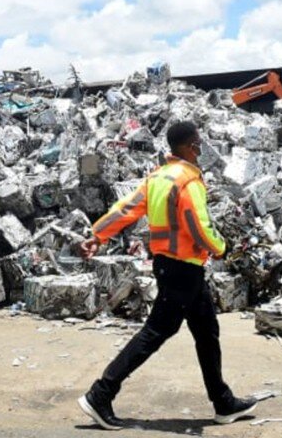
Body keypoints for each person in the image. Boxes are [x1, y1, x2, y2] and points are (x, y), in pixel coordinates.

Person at [77, 120, 256, 430]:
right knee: (156, 332)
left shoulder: (158, 177)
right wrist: (221, 248)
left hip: (172, 267)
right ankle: (100, 393)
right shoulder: (187, 180)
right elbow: (198, 225)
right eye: (198, 143)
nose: (202, 148)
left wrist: (98, 234)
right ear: (188, 146)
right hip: (183, 268)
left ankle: (223, 401)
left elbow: (126, 208)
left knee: (206, 331)